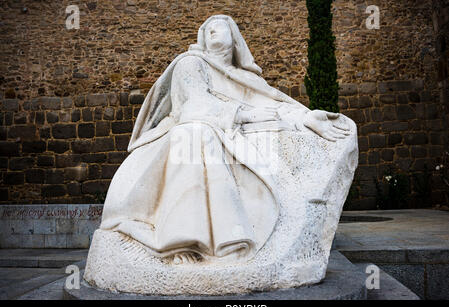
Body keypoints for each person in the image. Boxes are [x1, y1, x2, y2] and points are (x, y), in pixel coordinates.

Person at [99, 15, 349, 265]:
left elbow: (271, 105)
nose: (211, 30)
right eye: (206, 29)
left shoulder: (247, 79)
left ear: (235, 39)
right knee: (195, 133)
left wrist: (304, 118)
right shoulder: (191, 63)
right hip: (187, 131)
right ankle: (182, 239)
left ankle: (231, 238)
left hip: (227, 134)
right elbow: (195, 104)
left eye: (218, 27)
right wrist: (244, 115)